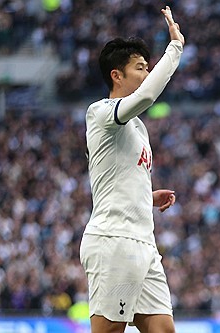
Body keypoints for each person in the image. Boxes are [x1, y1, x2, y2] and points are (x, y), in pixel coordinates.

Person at [79, 6, 184, 333]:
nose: (146, 73)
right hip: (115, 239)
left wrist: (145, 196)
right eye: (140, 67)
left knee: (163, 329)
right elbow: (149, 93)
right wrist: (176, 46)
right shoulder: (100, 112)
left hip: (143, 241)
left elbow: (118, 177)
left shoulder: (138, 127)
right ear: (117, 75)